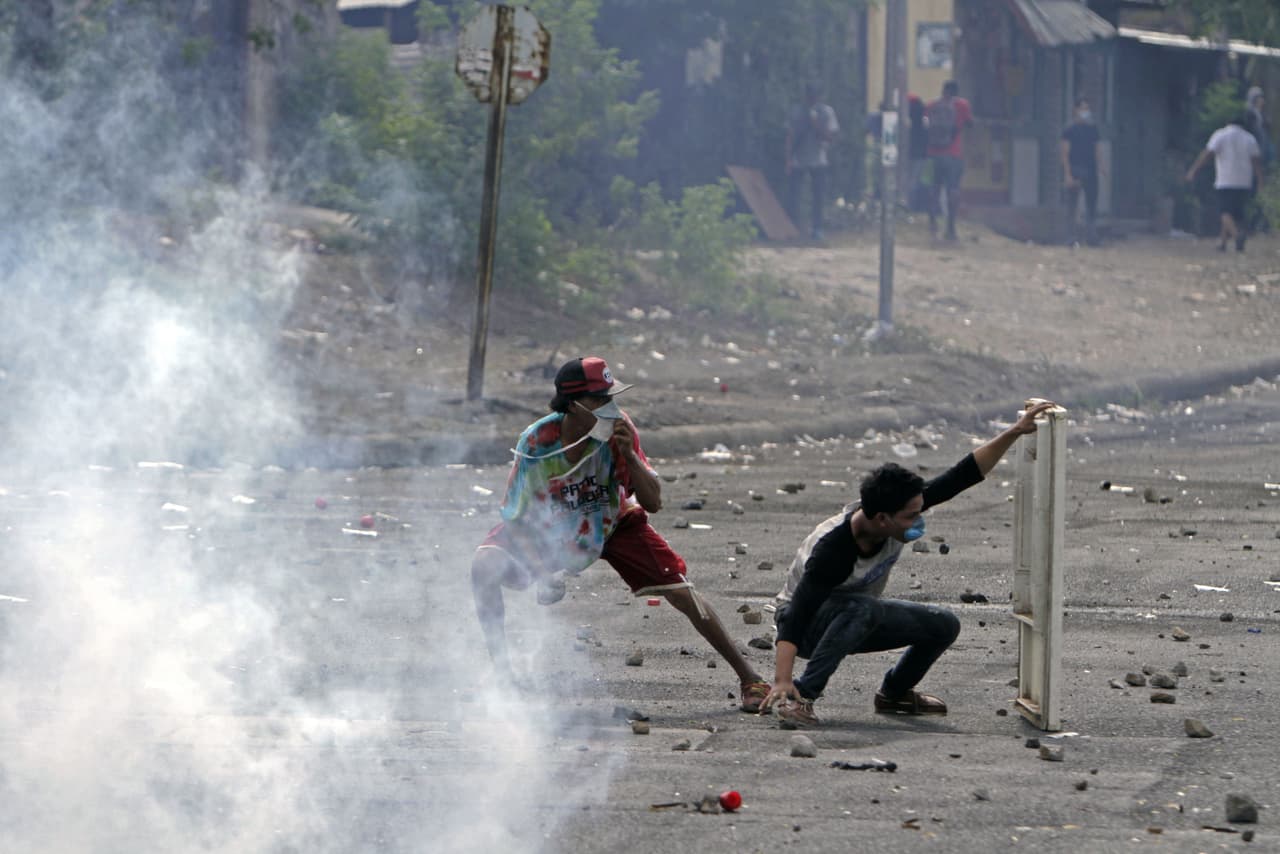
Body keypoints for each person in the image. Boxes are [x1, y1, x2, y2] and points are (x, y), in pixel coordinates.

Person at [471, 356, 771, 712]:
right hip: (551, 529)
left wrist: (629, 453)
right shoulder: (536, 443)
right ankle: (503, 676)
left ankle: (749, 677)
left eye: (611, 398)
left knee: (682, 592)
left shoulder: (618, 432)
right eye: (600, 401)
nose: (611, 408)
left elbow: (653, 502)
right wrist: (542, 570)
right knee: (484, 564)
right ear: (573, 405)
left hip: (611, 522)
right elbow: (519, 517)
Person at [758, 401, 1058, 727]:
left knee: (943, 624)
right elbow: (796, 614)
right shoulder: (833, 548)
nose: (918, 522)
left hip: (852, 617)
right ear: (882, 519)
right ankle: (801, 696)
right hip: (805, 628)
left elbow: (963, 475)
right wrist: (782, 680)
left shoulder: (893, 510)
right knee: (863, 609)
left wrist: (1015, 431)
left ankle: (895, 693)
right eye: (911, 517)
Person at [1185, 113, 1263, 252]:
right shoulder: (1249, 138)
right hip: (1244, 181)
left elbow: (1207, 154)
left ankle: (1236, 235)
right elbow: (1256, 162)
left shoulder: (1220, 135)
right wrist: (1260, 181)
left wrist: (1194, 170)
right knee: (1235, 213)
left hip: (1225, 179)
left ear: (1228, 122)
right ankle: (1222, 243)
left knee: (1225, 212)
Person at [786, 81, 840, 241]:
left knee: (818, 196)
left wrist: (816, 124)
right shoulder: (796, 111)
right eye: (810, 96)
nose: (812, 99)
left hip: (819, 159)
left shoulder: (827, 112)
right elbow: (790, 136)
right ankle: (794, 226)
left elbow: (831, 137)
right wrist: (788, 159)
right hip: (798, 159)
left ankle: (817, 228)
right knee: (794, 195)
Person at [925, 80, 973, 241]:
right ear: (956, 92)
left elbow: (926, 125)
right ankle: (950, 228)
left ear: (943, 90)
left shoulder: (931, 105)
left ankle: (932, 223)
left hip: (931, 154)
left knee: (932, 188)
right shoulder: (962, 105)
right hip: (953, 155)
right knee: (953, 189)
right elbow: (969, 124)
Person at [1061, 96, 1104, 246]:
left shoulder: (1093, 129)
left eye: (1087, 108)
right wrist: (1067, 174)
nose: (1086, 111)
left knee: (1091, 204)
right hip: (1075, 170)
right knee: (1072, 206)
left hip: (1091, 170)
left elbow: (1097, 148)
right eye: (1083, 108)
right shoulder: (1069, 129)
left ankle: (1091, 237)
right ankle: (1070, 238)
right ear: (1076, 110)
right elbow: (1065, 153)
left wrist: (1101, 166)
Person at [1244, 86, 1273, 234]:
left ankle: (1259, 223)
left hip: (1262, 159)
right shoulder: (1250, 115)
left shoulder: (1261, 116)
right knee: (1252, 191)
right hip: (1252, 160)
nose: (1262, 100)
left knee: (1260, 191)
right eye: (1259, 97)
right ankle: (1250, 224)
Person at [906, 94, 931, 211]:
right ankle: (917, 206)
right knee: (918, 181)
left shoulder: (907, 122)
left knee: (911, 181)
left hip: (911, 154)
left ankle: (910, 206)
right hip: (922, 154)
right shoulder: (925, 121)